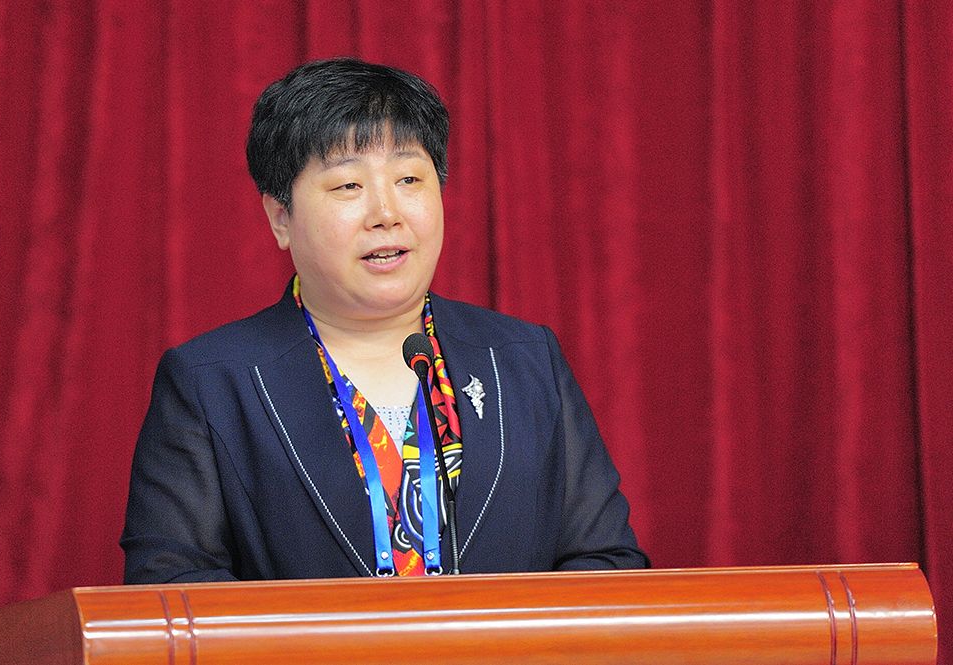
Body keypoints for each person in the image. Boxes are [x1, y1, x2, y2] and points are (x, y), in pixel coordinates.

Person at [121, 57, 648, 583]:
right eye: (348, 186)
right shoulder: (212, 382)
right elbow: (170, 584)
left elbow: (606, 560)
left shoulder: (524, 360)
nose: (386, 213)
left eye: (409, 179)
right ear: (281, 218)